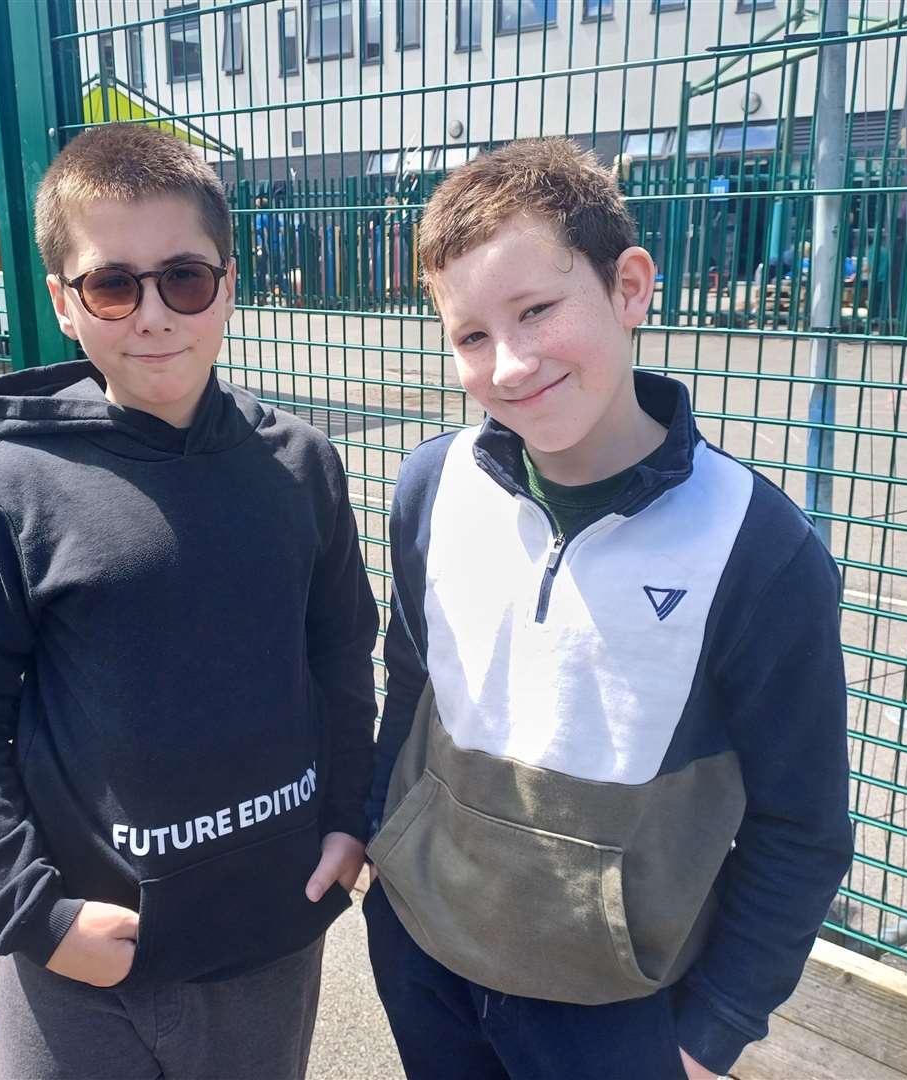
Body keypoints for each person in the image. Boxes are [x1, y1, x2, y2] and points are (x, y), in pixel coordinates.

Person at [363, 138, 853, 1080]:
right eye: (470, 335)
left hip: (616, 1011)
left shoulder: (756, 545)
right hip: (425, 950)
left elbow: (802, 825)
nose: (508, 365)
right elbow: (411, 687)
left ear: (629, 287)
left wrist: (712, 1033)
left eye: (537, 310)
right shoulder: (431, 486)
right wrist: (381, 844)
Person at [0, 123, 378, 1080]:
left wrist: (348, 814)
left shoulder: (301, 464)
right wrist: (31, 912)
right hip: (84, 959)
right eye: (113, 285)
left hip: (266, 942)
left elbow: (339, 658)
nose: (153, 315)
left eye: (185, 279)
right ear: (64, 305)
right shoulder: (18, 484)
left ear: (229, 284)